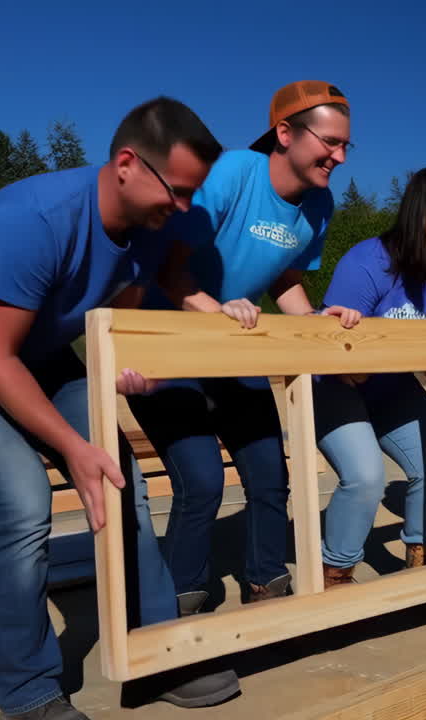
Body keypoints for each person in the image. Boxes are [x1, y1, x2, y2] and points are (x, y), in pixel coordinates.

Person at [0, 98, 240, 719]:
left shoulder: (149, 229)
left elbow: (118, 323)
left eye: (194, 195)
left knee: (120, 477)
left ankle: (152, 653)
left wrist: (133, 372)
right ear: (128, 164)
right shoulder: (38, 220)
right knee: (23, 505)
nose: (184, 209)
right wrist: (73, 448)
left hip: (42, 348)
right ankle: (28, 694)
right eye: (177, 191)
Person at [129, 81, 360, 606]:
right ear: (284, 132)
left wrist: (320, 319)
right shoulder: (234, 172)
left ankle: (266, 584)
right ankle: (179, 598)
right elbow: (166, 265)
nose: (339, 156)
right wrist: (217, 309)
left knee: (267, 474)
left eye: (346, 145)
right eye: (330, 142)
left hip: (236, 347)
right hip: (168, 344)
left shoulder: (319, 205)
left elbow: (284, 281)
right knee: (203, 479)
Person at [314, 167, 426, 580]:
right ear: (421, 209)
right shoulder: (368, 262)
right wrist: (343, 349)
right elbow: (325, 338)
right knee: (366, 476)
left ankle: (423, 562)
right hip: (336, 385)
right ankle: (336, 575)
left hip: (392, 388)